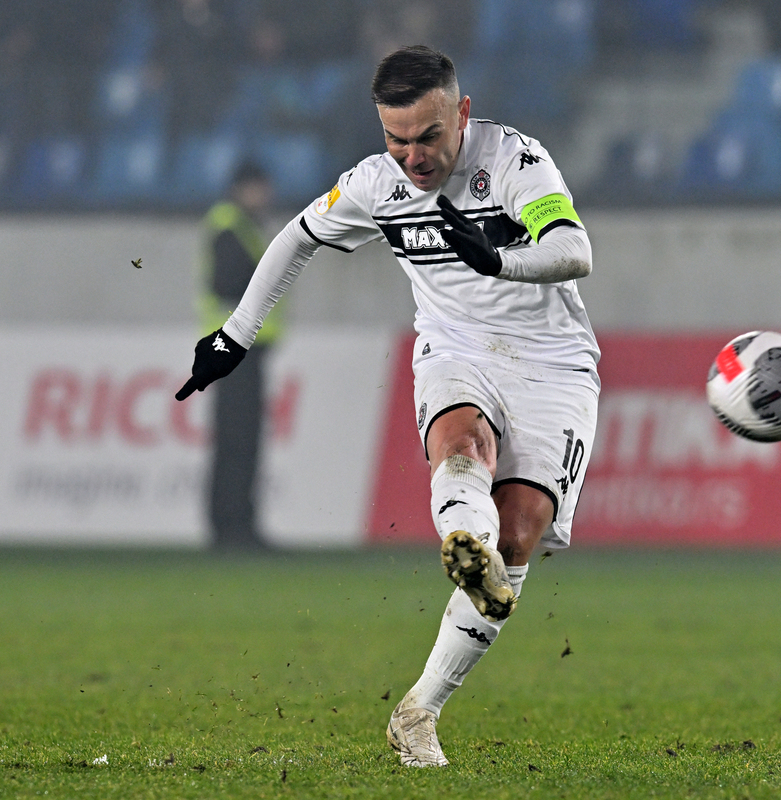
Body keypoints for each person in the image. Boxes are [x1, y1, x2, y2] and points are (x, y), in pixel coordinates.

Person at [174, 45, 599, 767]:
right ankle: (468, 545)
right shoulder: (375, 184)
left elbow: (574, 249)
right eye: (395, 139)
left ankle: (418, 709)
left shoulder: (519, 161)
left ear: (460, 114)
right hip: (454, 350)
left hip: (551, 361)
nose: (413, 156)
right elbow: (295, 239)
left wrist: (499, 259)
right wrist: (234, 336)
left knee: (523, 528)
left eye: (428, 136)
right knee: (463, 450)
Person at [198, 160, 280, 551]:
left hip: (243, 349)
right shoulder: (230, 226)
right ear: (241, 188)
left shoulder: (242, 227)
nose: (263, 195)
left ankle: (238, 524)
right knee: (236, 440)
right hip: (233, 349)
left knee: (242, 440)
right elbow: (228, 283)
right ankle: (230, 527)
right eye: (257, 187)